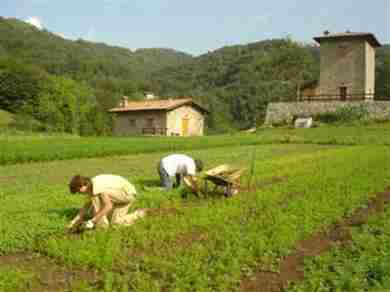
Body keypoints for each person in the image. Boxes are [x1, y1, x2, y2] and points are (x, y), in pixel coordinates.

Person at [66, 174, 146, 231]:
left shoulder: (97, 187)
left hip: (127, 194)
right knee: (116, 223)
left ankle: (102, 226)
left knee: (96, 199)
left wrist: (92, 221)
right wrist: (74, 221)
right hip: (120, 196)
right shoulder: (91, 187)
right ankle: (139, 214)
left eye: (78, 191)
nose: (80, 193)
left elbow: (108, 206)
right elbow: (86, 206)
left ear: (82, 185)